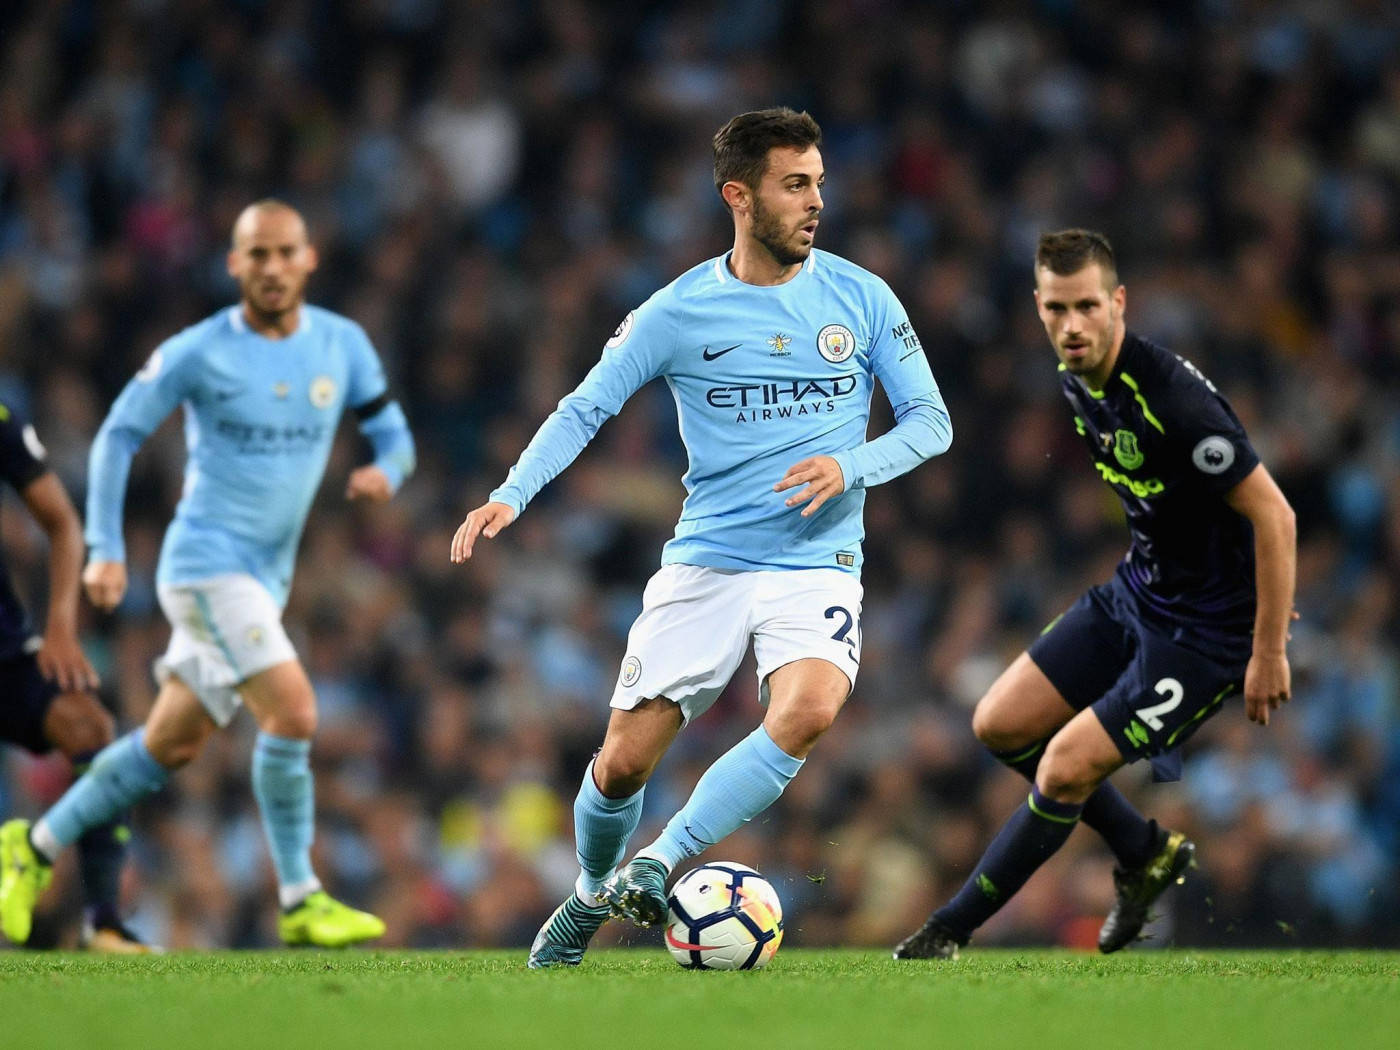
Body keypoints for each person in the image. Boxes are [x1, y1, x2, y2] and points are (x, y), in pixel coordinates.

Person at [451, 107, 953, 968]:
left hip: (817, 561)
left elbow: (932, 423)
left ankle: (662, 857)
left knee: (809, 712)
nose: (815, 201)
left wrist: (850, 467)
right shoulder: (677, 311)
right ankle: (587, 897)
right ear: (740, 195)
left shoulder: (862, 297)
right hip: (709, 560)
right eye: (795, 185)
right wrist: (511, 494)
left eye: (819, 183)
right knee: (619, 767)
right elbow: (587, 406)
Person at [0, 200, 415, 948]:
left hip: (268, 576)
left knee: (169, 746)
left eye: (286, 252)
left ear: (308, 259)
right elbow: (119, 433)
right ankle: (300, 896)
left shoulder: (343, 345)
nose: (273, 268)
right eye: (257, 254)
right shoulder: (198, 351)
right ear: (235, 265)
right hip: (204, 564)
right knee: (293, 712)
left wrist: (385, 472)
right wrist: (104, 547)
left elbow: (395, 435)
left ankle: (30, 848)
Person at [894, 229, 1296, 960]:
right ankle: (1145, 851)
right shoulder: (1076, 376)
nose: (1071, 325)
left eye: (1086, 306)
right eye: (1055, 309)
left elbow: (1274, 514)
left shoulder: (1173, 397)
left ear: (1118, 303)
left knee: (1064, 766)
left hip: (1207, 636)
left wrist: (1267, 649)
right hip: (1137, 592)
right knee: (999, 724)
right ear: (1039, 309)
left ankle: (947, 930)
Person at [0, 401, 149, 952]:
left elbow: (62, 523)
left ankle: (103, 921)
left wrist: (60, 627)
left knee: (90, 728)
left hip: (6, 652)